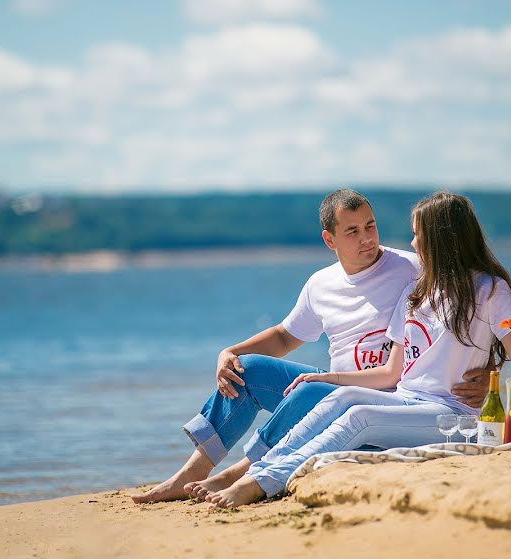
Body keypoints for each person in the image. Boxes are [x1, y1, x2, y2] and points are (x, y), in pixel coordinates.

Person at [132, 189, 490, 504]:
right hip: (334, 386)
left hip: (391, 395)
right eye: (352, 231)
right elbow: (286, 336)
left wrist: (489, 372)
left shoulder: (412, 267)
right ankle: (191, 473)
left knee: (310, 390)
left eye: (371, 226)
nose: (367, 238)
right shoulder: (321, 284)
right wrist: (230, 353)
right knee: (248, 369)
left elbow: (473, 311)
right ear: (329, 240)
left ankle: (243, 472)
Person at [206, 191, 511, 508]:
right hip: (405, 399)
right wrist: (325, 377)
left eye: (418, 234)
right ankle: (257, 471)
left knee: (359, 416)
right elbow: (392, 373)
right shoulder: (417, 295)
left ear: (441, 238)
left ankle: (261, 483)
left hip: (450, 413)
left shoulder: (489, 290)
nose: (413, 242)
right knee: (340, 399)